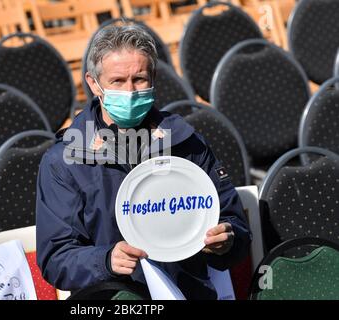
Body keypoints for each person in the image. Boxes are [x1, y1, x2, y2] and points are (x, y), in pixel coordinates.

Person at [36, 24, 251, 300]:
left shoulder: (186, 142)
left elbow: (234, 222)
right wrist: (105, 260)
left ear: (153, 77)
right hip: (114, 298)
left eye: (139, 79)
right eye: (117, 81)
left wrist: (228, 240)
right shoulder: (64, 161)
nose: (130, 91)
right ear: (93, 83)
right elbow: (56, 258)